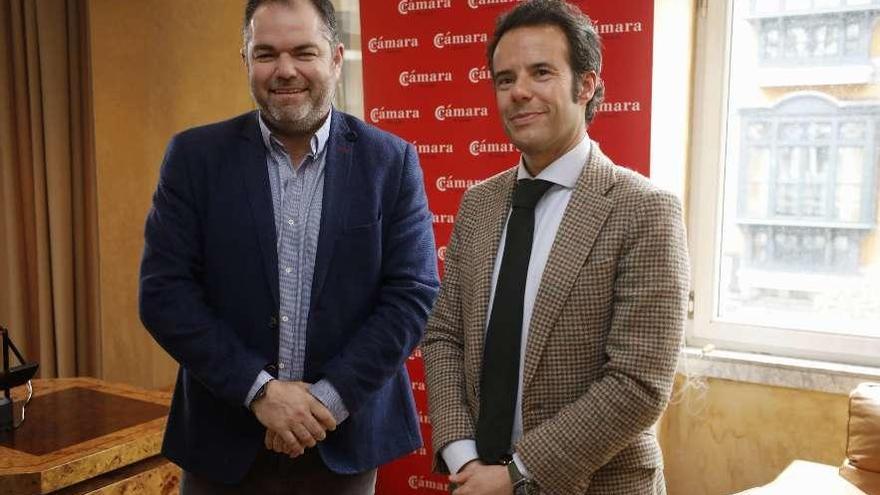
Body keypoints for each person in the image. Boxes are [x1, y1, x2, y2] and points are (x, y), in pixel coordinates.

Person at [138, 0, 439, 493]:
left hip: (343, 441)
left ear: (336, 58)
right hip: (222, 443)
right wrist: (260, 394)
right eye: (266, 54)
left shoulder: (391, 161)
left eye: (304, 52)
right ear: (246, 62)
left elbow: (413, 296)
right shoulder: (194, 159)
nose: (285, 70)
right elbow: (164, 295)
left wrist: (324, 402)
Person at [422, 1, 689, 494]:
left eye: (541, 72)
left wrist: (516, 474)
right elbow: (443, 338)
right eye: (505, 79)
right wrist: (464, 456)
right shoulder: (478, 204)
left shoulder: (645, 209)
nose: (519, 91)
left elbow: (638, 383)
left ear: (585, 85)